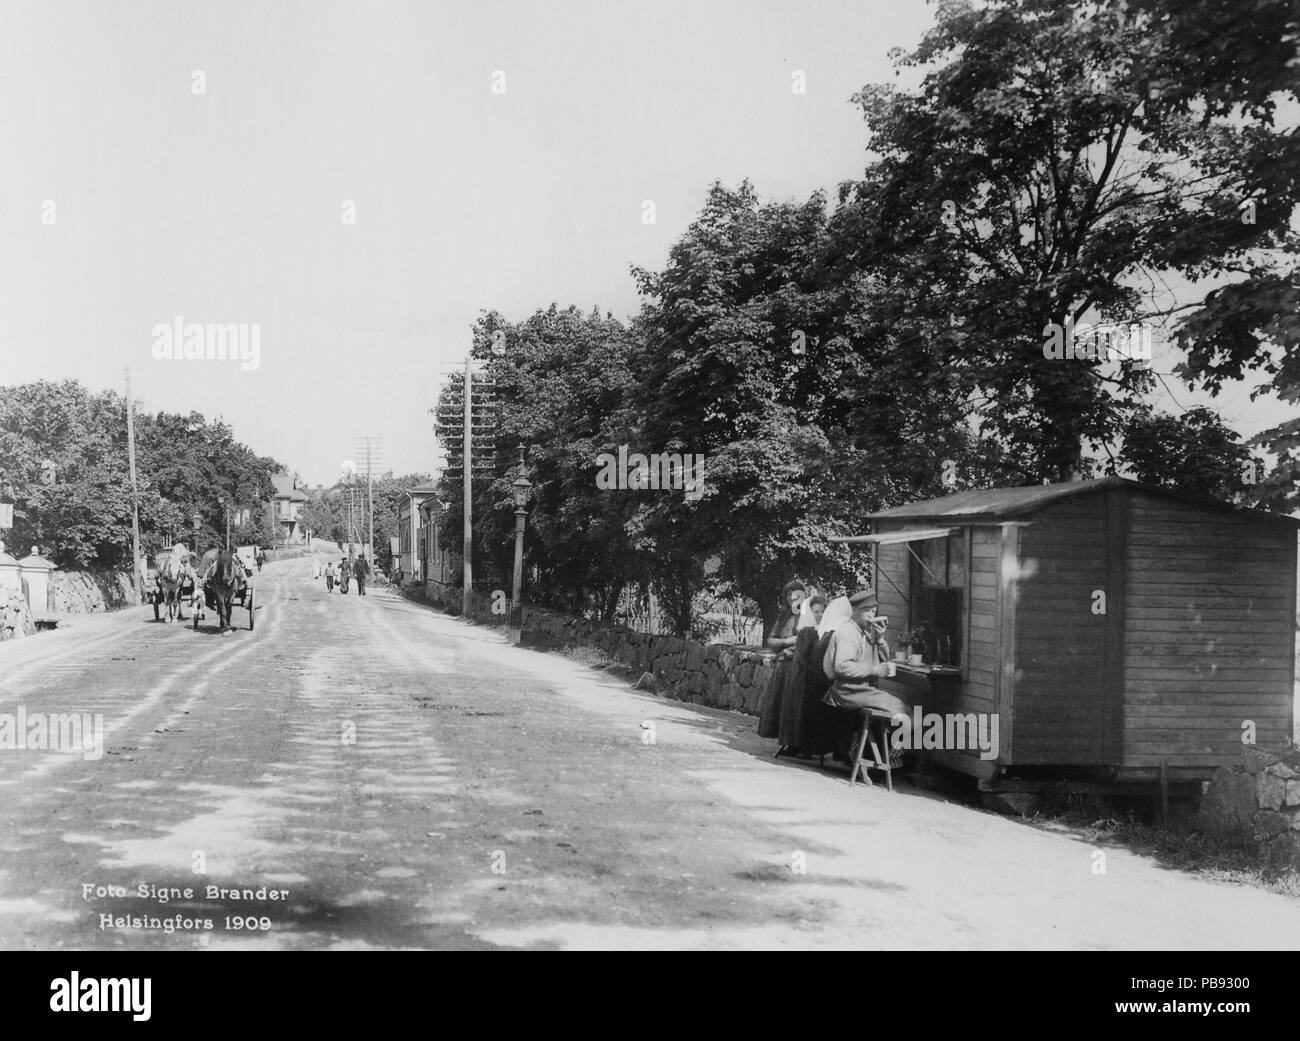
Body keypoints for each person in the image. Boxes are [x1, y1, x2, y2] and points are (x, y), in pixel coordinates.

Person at [822, 590, 909, 765]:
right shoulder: (848, 632)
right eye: (868, 611)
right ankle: (885, 756)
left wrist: (881, 639)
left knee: (906, 713)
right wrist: (875, 670)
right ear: (856, 611)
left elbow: (885, 658)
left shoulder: (865, 630)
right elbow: (841, 667)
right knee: (905, 713)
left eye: (874, 611)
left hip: (863, 690)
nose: (872, 615)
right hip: (848, 691)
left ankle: (877, 757)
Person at [777, 593, 829, 757]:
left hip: (815, 676)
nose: (819, 615)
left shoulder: (824, 630)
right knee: (797, 709)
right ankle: (795, 745)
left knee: (810, 711)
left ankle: (805, 746)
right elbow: (804, 652)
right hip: (802, 674)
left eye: (822, 612)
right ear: (809, 613)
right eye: (816, 612)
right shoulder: (807, 630)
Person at [757, 580, 806, 744]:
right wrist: (787, 642)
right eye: (789, 595)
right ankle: (782, 740)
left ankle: (794, 743)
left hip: (798, 667)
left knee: (794, 705)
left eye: (797, 595)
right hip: (782, 666)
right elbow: (771, 641)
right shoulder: (784, 616)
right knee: (780, 703)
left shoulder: (808, 616)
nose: (793, 599)